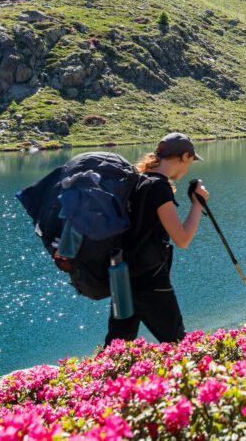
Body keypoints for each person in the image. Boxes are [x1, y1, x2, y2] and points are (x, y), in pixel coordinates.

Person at [105, 132, 206, 346]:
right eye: (191, 160)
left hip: (122, 276)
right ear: (185, 156)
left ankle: (94, 379)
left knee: (117, 347)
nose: (189, 166)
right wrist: (198, 204)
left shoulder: (137, 180)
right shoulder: (159, 188)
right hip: (151, 280)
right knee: (178, 344)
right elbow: (182, 239)